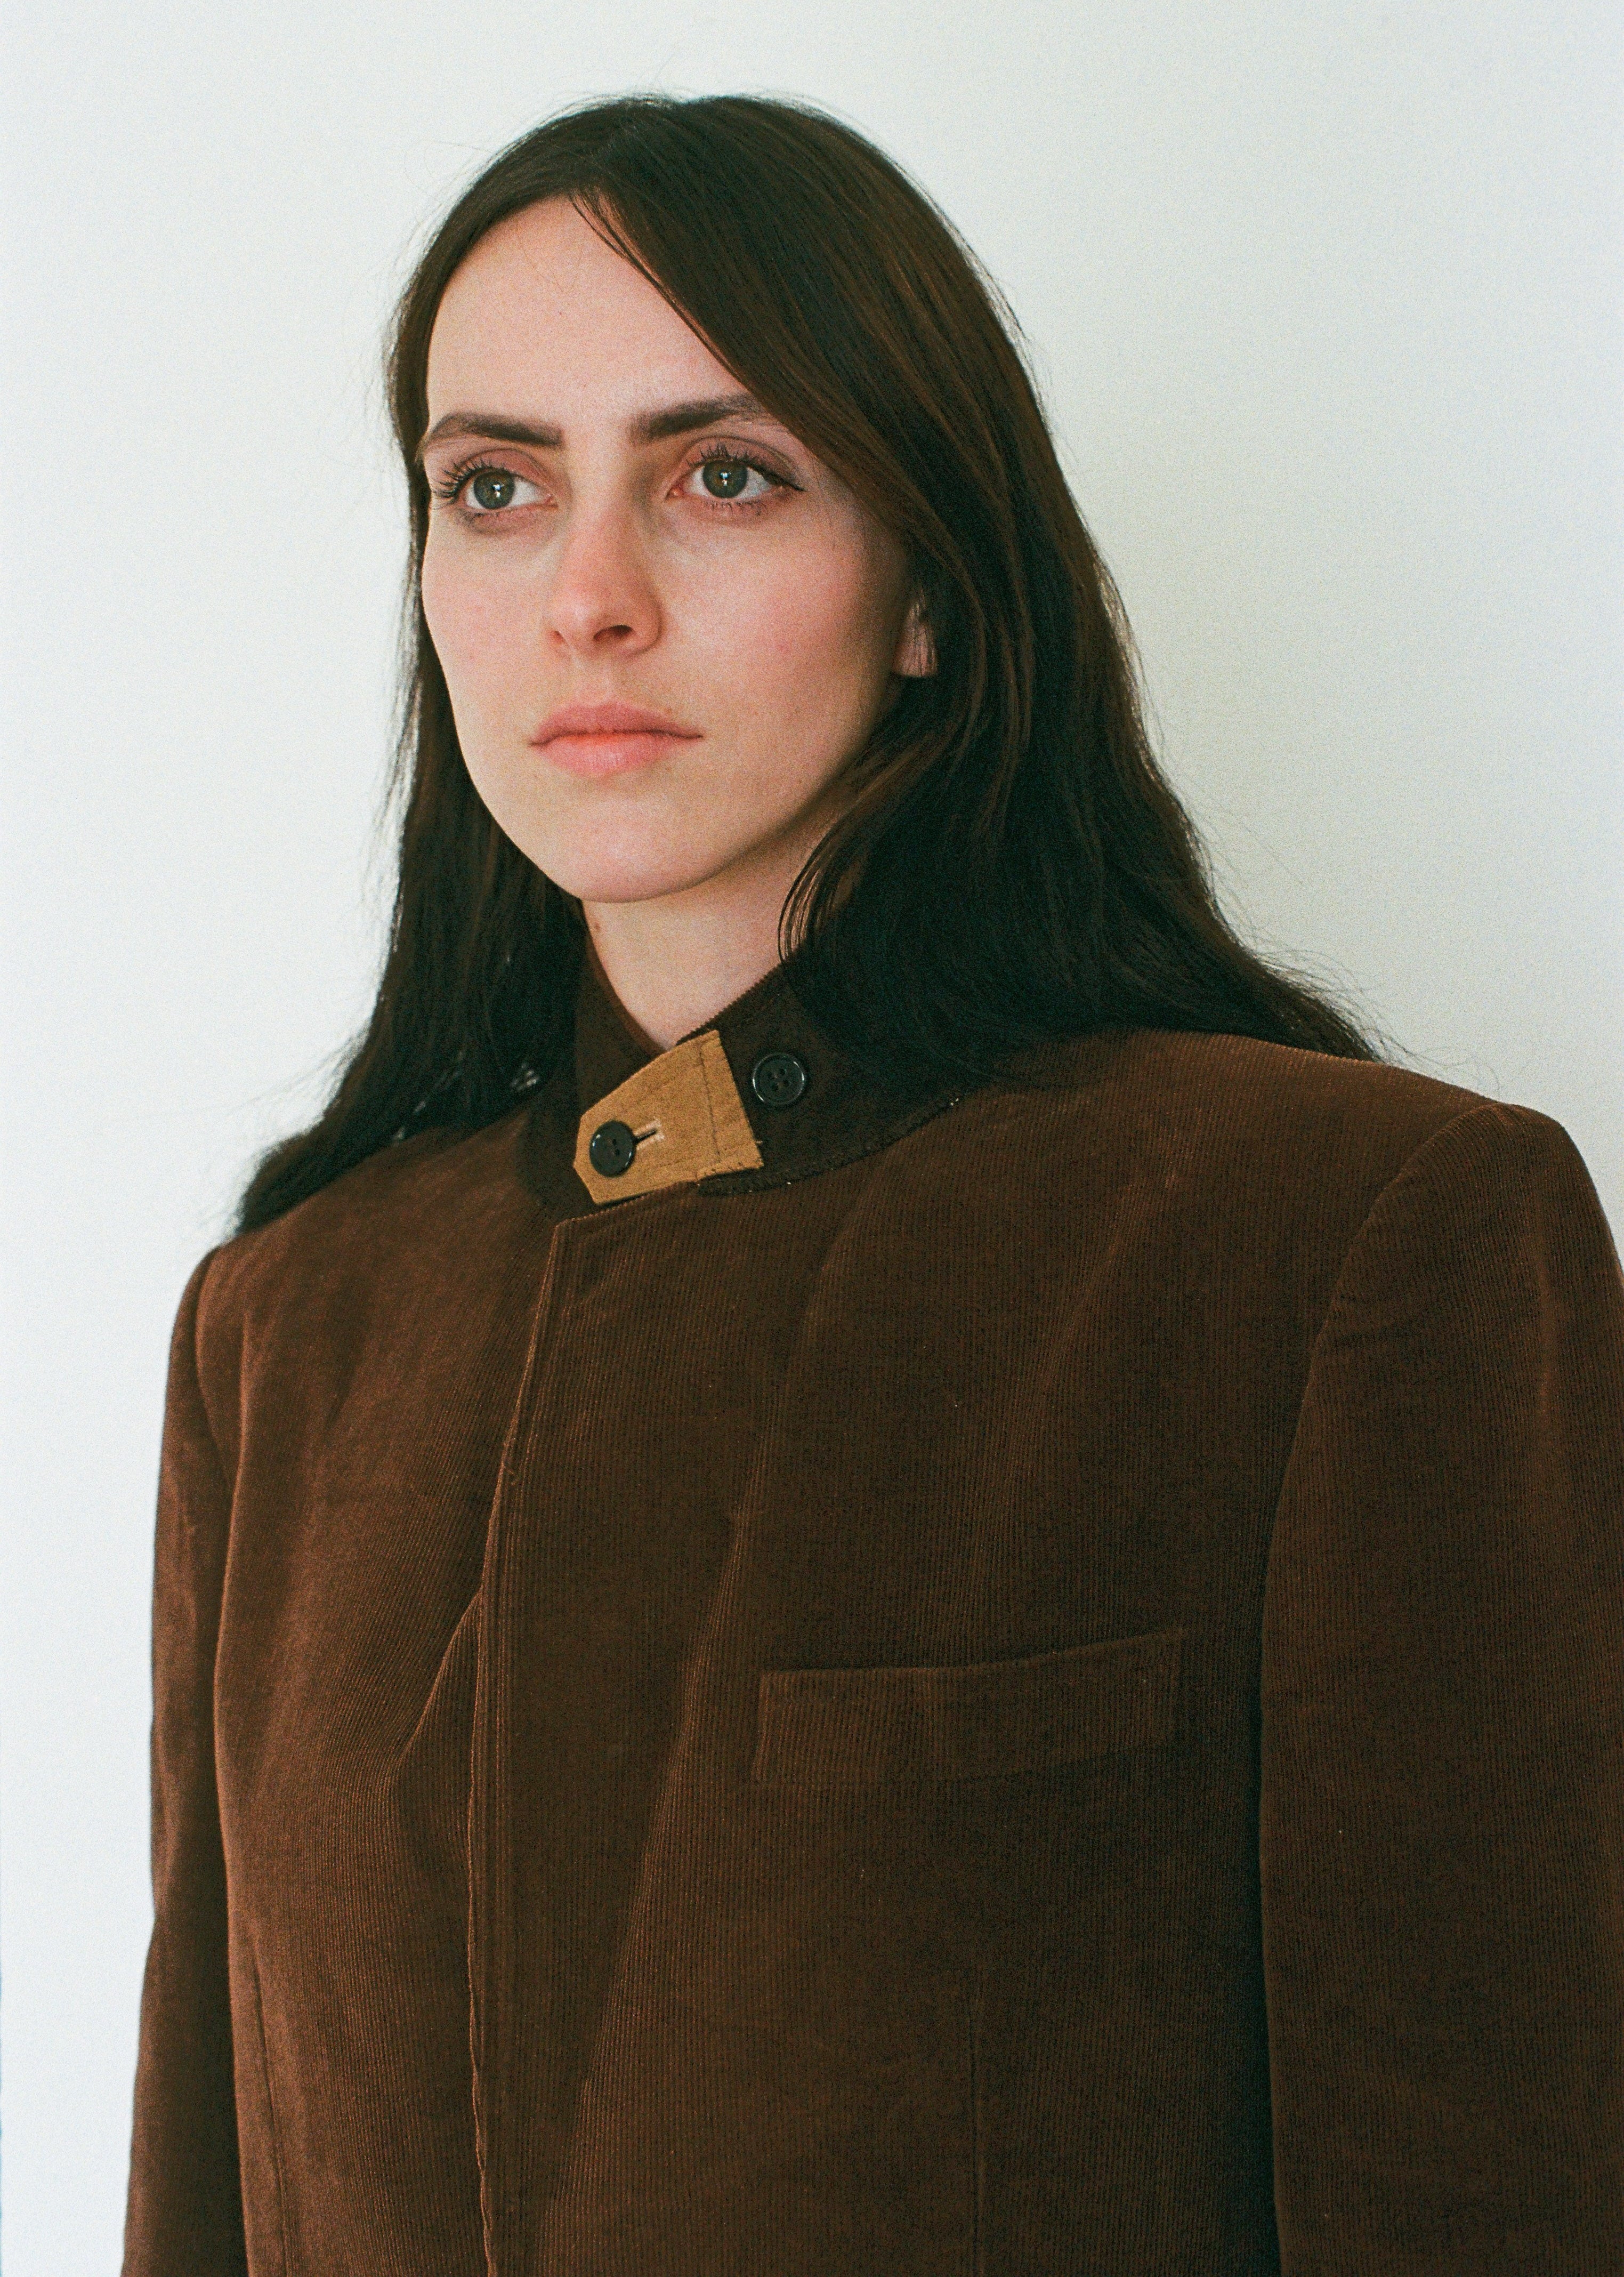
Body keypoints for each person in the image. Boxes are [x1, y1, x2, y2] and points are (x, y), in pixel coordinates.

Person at [122, 92, 1623, 2277]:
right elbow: (206, 2190)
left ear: (929, 583)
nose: (589, 599)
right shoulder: (295, 1328)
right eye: (495, 487)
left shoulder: (1345, 1250)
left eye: (725, 475)